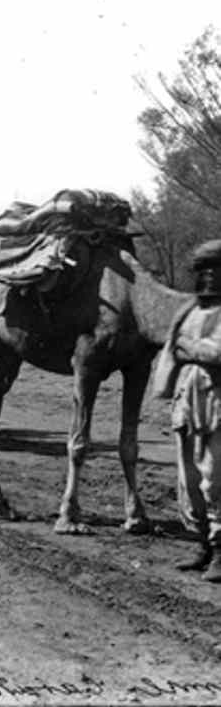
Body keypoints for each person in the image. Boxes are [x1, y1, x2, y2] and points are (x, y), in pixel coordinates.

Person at [154, 239, 221, 582]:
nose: (209, 278)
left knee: (215, 477)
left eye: (216, 271)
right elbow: (174, 349)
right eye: (203, 271)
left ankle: (220, 550)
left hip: (216, 403)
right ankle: (202, 545)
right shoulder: (190, 311)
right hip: (187, 400)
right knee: (188, 477)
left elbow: (216, 352)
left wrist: (190, 348)